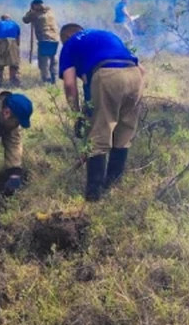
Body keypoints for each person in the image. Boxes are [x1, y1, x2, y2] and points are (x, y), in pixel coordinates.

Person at [58, 24, 145, 202]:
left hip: (107, 75)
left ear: (64, 38)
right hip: (135, 76)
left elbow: (69, 84)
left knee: (99, 135)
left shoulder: (70, 43)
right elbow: (143, 70)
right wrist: (138, 96)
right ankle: (113, 187)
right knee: (124, 134)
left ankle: (93, 195)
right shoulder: (106, 34)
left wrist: (78, 116)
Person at [22, 0, 60, 84]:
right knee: (53, 58)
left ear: (35, 5)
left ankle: (46, 79)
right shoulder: (50, 10)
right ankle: (54, 78)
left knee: (43, 60)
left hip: (44, 39)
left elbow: (25, 20)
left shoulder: (35, 14)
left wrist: (30, 11)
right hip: (55, 38)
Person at [0, 14, 22, 89]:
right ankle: (15, 84)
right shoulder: (15, 24)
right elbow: (18, 40)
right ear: (9, 18)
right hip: (12, 42)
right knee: (14, 65)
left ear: (2, 19)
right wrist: (16, 50)